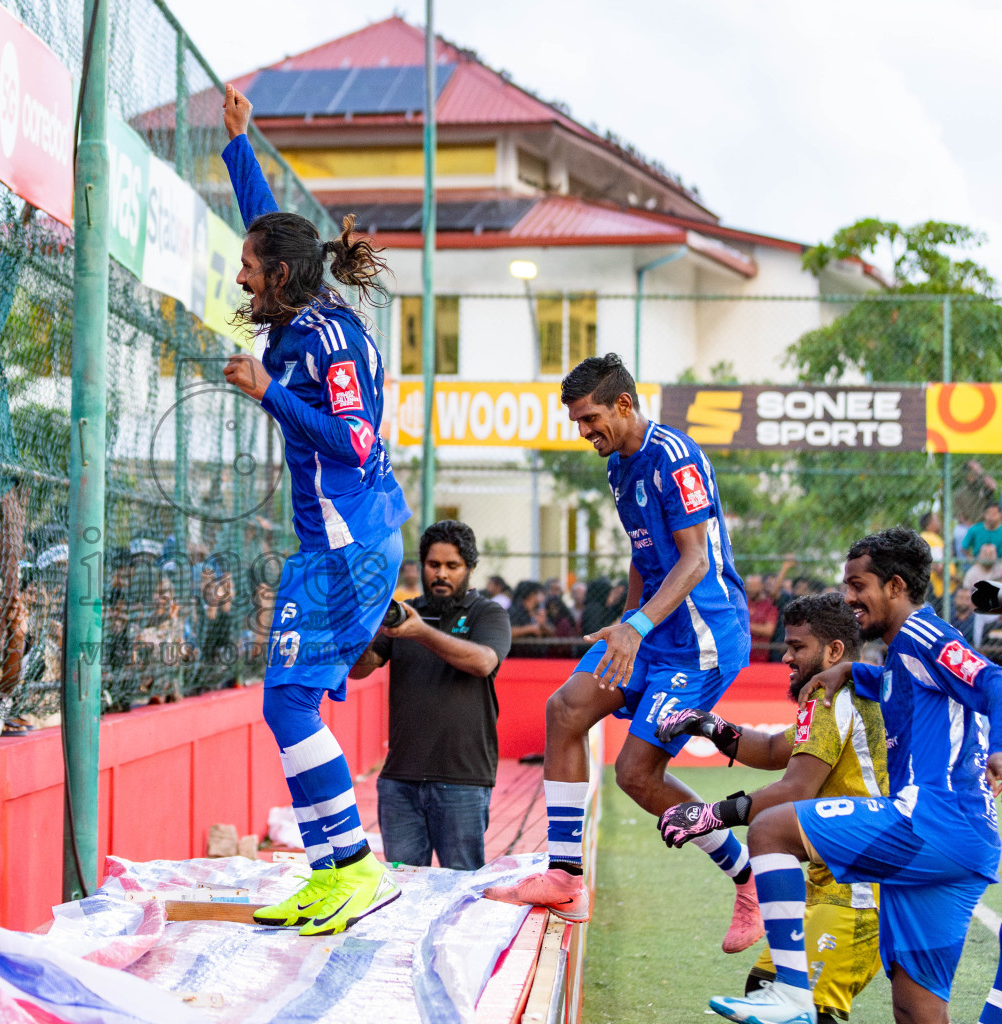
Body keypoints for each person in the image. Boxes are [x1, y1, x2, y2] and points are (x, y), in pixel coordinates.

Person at [483, 353, 758, 953]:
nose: (583, 432)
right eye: (578, 422)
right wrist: (627, 622)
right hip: (655, 630)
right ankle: (565, 877)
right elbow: (643, 553)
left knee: (635, 774)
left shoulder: (675, 458)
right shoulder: (619, 468)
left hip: (703, 642)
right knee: (564, 711)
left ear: (625, 405)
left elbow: (694, 562)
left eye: (589, 419)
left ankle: (749, 879)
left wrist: (637, 627)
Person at [218, 83, 410, 936]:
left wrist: (268, 395)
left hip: (351, 547)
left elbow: (359, 445)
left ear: (283, 279)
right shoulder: (300, 312)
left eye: (251, 270)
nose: (240, 276)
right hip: (334, 546)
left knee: (288, 704)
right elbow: (270, 229)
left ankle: (356, 869)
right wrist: (238, 147)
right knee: (288, 704)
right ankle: (335, 871)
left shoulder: (327, 341)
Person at [708, 529, 1002, 1024]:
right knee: (915, 1009)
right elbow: (905, 685)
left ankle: (794, 993)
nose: (848, 597)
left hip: (933, 820)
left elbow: (994, 681)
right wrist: (849, 672)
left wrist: (999, 749)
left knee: (770, 829)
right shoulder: (901, 652)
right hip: (964, 842)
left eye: (857, 585)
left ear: (894, 586)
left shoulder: (923, 634)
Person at [654, 593, 884, 1024]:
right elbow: (778, 748)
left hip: (859, 890)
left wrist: (709, 815)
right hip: (834, 881)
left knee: (809, 1011)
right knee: (762, 988)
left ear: (834, 651)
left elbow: (794, 788)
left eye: (798, 647)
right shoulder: (835, 694)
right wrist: (711, 725)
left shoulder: (833, 698)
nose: (787, 657)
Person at [349, 520, 510, 870]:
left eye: (452, 566)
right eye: (433, 565)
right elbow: (359, 668)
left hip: (463, 778)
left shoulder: (488, 613)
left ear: (469, 569)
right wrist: (363, 625)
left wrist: (421, 632)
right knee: (403, 891)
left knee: (461, 891)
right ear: (421, 565)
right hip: (399, 780)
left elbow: (483, 662)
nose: (441, 574)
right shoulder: (402, 615)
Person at [746, 573, 780, 662]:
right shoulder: (741, 603)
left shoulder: (769, 605)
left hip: (760, 657)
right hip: (741, 655)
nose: (751, 589)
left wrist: (744, 625)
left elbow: (768, 630)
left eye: (754, 586)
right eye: (749, 586)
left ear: (761, 586)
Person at [919, 512, 945, 602]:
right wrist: (951, 577)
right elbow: (938, 566)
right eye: (937, 520)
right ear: (929, 524)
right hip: (937, 588)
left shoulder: (923, 537)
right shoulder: (931, 538)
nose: (940, 522)